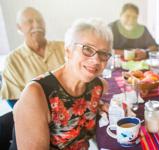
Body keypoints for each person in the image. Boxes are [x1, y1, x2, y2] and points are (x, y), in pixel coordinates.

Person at [11, 18, 112, 149]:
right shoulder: (36, 93)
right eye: (87, 49)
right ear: (68, 51)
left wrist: (101, 107)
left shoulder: (98, 87)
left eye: (103, 54)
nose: (96, 60)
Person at [0, 7, 65, 107]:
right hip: (39, 115)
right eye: (30, 21)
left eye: (39, 20)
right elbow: (15, 101)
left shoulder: (64, 47)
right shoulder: (13, 60)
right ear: (19, 27)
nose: (36, 25)